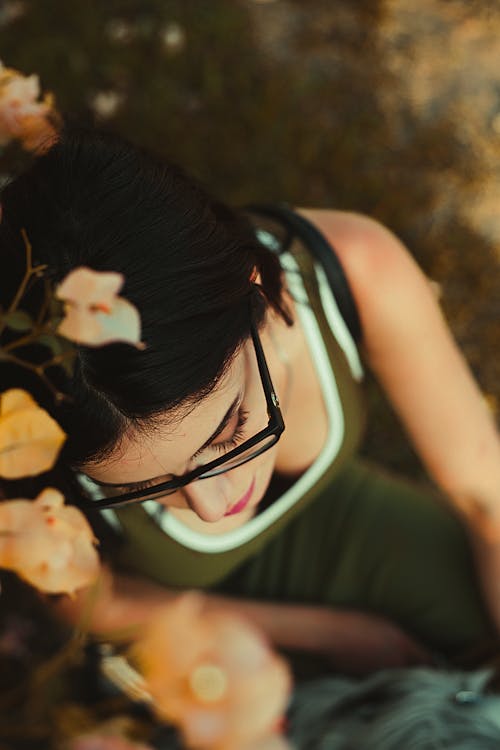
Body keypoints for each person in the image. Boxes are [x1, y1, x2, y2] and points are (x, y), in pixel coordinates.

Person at [1, 127, 499, 674]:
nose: (214, 506)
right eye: (141, 488)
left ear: (255, 289)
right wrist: (326, 633)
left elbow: (483, 490)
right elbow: (97, 603)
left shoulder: (357, 272)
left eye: (230, 431)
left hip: (333, 528)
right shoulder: (31, 429)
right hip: (177, 614)